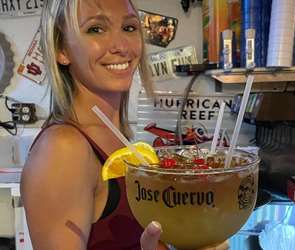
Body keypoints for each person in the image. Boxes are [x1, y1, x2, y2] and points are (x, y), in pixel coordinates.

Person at [21, 0, 228, 249]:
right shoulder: (63, 149)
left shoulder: (118, 137)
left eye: (129, 28)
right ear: (61, 49)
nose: (121, 46)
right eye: (96, 29)